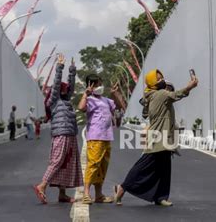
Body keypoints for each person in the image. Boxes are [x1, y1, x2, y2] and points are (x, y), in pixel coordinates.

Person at [113, 69, 198, 206]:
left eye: (162, 78)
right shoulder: (160, 94)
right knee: (143, 166)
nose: (162, 80)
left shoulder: (150, 96)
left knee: (164, 167)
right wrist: (190, 86)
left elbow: (146, 113)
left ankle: (161, 196)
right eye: (158, 79)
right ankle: (122, 188)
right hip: (158, 137)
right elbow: (178, 94)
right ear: (153, 83)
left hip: (165, 136)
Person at [33, 54, 83, 204]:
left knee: (68, 163)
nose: (66, 89)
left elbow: (71, 88)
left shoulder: (66, 100)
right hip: (61, 134)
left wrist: (72, 70)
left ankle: (62, 194)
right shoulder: (53, 101)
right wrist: (59, 68)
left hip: (71, 134)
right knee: (57, 160)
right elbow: (55, 86)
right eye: (64, 88)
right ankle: (42, 185)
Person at [78, 74, 125, 204]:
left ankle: (99, 195)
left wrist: (116, 94)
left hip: (107, 137)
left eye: (100, 83)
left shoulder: (106, 100)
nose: (100, 86)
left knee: (102, 167)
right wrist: (85, 94)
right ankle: (86, 193)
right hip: (95, 137)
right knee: (93, 164)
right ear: (90, 86)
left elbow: (121, 107)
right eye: (96, 84)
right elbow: (81, 108)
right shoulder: (90, 100)